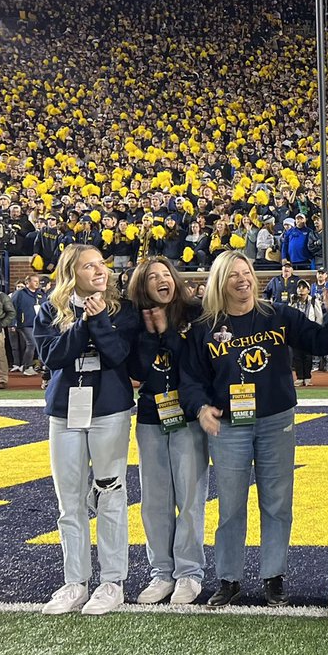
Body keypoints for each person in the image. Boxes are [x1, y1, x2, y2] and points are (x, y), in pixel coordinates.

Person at [180, 250, 328, 608]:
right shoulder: (205, 327)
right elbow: (191, 378)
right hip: (229, 425)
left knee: (276, 503)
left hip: (276, 421)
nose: (242, 280)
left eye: (246, 273)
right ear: (220, 282)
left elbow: (322, 343)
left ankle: (274, 576)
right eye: (233, 275)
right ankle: (229, 579)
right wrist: (200, 408)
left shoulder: (279, 315)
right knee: (230, 506)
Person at [34, 244, 140, 616]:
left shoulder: (121, 309)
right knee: (70, 502)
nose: (100, 271)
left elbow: (118, 356)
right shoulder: (50, 308)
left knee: (111, 494)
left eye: (101, 264)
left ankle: (112, 582)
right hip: (65, 411)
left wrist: (97, 321)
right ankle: (75, 582)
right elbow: (52, 358)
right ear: (71, 272)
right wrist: (82, 323)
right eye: (89, 266)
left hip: (109, 408)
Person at [126, 256, 207, 606]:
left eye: (166, 274)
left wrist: (168, 334)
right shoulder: (134, 320)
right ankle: (161, 572)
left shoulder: (195, 314)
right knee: (155, 500)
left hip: (187, 416)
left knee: (190, 497)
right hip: (150, 415)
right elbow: (136, 372)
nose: (162, 280)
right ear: (142, 287)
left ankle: (189, 573)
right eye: (153, 277)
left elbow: (195, 363)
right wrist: (149, 336)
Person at [11, 274, 44, 376]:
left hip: (38, 323)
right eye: (34, 281)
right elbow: (12, 308)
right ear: (27, 283)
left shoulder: (40, 294)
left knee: (38, 344)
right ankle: (26, 366)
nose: (37, 283)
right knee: (31, 343)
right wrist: (13, 323)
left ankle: (37, 365)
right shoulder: (19, 293)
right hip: (24, 323)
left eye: (37, 281)